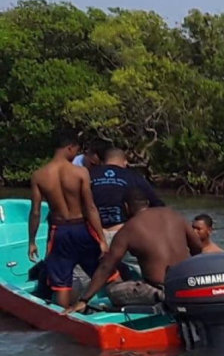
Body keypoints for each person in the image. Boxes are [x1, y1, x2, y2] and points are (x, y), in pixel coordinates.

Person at [62, 187, 202, 313]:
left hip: (160, 291)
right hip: (186, 284)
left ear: (126, 207)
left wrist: (84, 300)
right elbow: (197, 247)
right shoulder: (174, 215)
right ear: (147, 203)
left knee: (112, 290)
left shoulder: (128, 229)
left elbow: (106, 267)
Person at [28, 131, 108, 308]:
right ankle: (115, 310)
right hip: (82, 229)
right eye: (76, 150)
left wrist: (32, 241)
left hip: (59, 231)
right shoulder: (80, 173)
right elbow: (90, 208)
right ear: (69, 148)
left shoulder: (39, 175)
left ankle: (62, 319)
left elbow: (35, 212)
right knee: (105, 273)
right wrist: (102, 239)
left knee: (61, 285)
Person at [89, 147, 165, 245]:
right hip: (123, 232)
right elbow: (157, 204)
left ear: (104, 161)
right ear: (125, 162)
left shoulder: (89, 174)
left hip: (94, 233)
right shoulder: (133, 176)